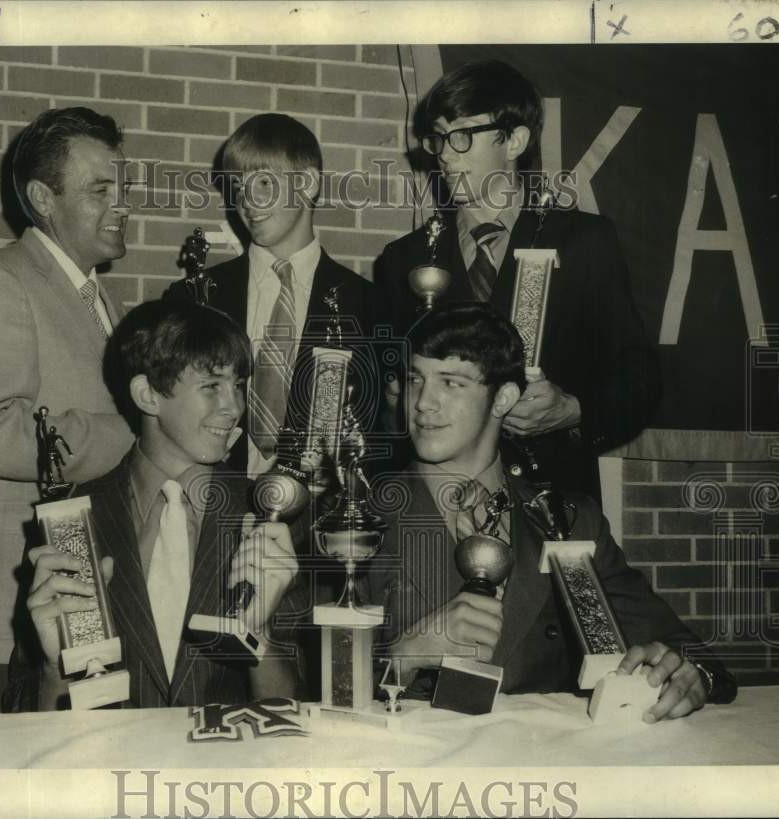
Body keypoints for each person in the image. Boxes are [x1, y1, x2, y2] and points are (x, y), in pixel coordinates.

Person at [365, 304, 735, 721]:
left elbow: (686, 650)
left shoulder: (571, 520)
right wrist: (402, 656)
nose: (422, 404)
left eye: (451, 382)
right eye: (415, 379)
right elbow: (291, 678)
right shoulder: (354, 517)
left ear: (503, 397)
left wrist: (690, 674)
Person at [374, 59, 661, 500]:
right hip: (434, 502)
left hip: (551, 497)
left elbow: (638, 375)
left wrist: (573, 410)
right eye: (438, 138)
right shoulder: (402, 260)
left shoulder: (584, 241)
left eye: (463, 135)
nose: (445, 154)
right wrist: (396, 400)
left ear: (515, 141)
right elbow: (382, 397)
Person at [0, 107, 136, 714]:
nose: (122, 203)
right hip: (7, 601)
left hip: (81, 586)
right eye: (101, 190)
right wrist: (132, 433)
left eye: (122, 186)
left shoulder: (105, 297)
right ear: (43, 198)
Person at [12, 299, 304, 710]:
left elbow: (301, 709)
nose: (235, 407)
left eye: (238, 384)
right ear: (148, 395)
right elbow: (25, 712)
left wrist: (262, 636)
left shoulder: (266, 516)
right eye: (211, 386)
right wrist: (52, 667)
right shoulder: (73, 522)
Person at [168, 113, 378, 480]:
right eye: (238, 186)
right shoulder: (192, 297)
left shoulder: (368, 303)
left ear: (308, 183)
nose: (248, 201)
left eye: (264, 182)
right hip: (212, 509)